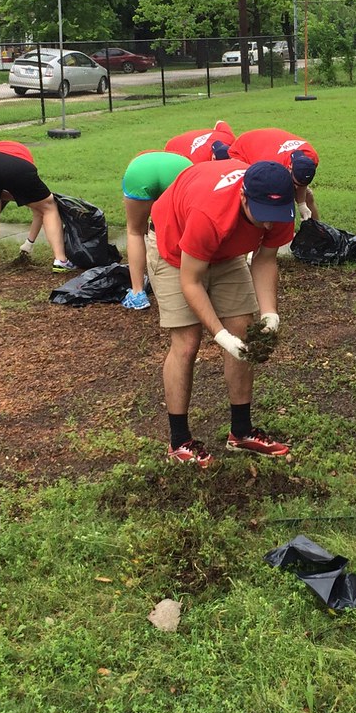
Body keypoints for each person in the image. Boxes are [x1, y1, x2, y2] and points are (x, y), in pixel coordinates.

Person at [148, 158, 296, 466]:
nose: (270, 224)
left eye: (276, 216)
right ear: (243, 197)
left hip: (226, 251)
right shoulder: (209, 214)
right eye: (264, 216)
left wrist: (271, 313)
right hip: (176, 250)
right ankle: (180, 442)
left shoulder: (280, 206)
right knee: (187, 342)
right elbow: (190, 281)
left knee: (243, 327)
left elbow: (265, 259)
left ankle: (240, 432)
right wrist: (219, 334)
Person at [0, 140, 75, 273]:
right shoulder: (22, 160)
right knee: (49, 207)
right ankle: (61, 260)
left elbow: (2, 193)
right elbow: (38, 210)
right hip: (15, 166)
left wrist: (29, 243)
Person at [120, 150, 192, 310]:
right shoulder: (183, 161)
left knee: (134, 231)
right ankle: (190, 282)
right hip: (181, 176)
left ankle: (137, 294)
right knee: (185, 228)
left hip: (139, 176)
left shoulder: (136, 165)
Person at [221, 127, 320, 221]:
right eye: (295, 182)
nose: (297, 186)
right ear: (290, 168)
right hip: (242, 149)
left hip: (269, 141)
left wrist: (302, 204)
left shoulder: (311, 156)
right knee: (256, 197)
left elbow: (302, 183)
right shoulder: (273, 167)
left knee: (307, 195)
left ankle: (319, 233)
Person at [163, 120, 235, 164]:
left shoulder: (227, 136)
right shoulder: (196, 162)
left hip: (182, 142)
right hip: (173, 147)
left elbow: (220, 122)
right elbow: (220, 122)